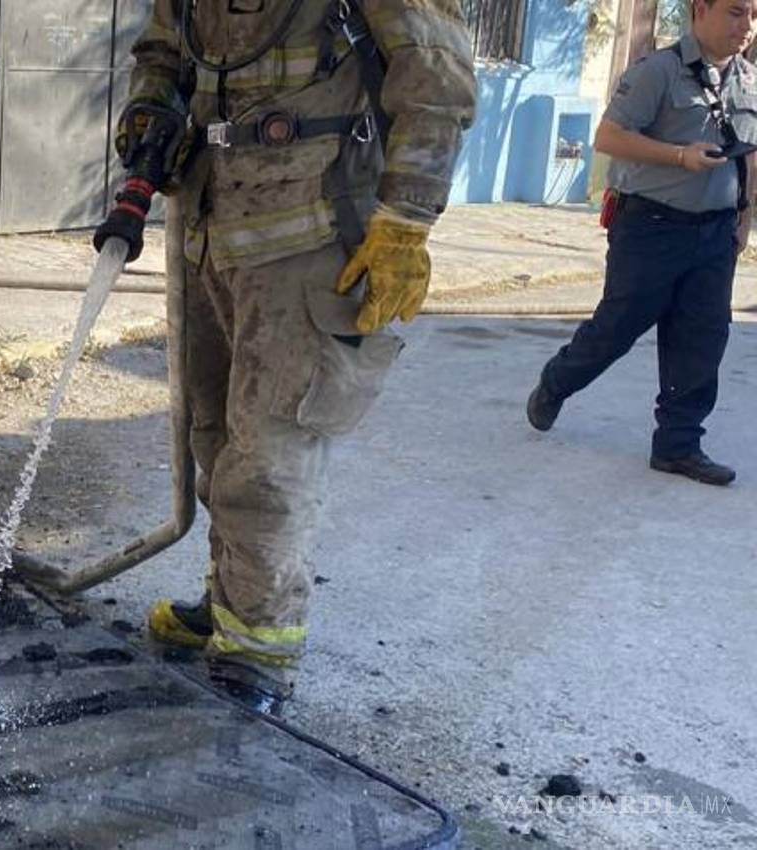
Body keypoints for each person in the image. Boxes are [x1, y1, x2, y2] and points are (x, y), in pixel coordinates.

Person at [102, 0, 475, 715]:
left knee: (270, 457)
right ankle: (234, 603)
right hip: (211, 228)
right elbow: (162, 53)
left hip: (312, 235)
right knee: (215, 438)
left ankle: (257, 657)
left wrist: (405, 222)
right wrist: (150, 111)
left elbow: (437, 76)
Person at [527, 0, 757, 486]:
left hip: (715, 231)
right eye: (736, 12)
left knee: (703, 336)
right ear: (700, 10)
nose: (747, 26)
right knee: (617, 328)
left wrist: (745, 219)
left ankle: (678, 444)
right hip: (651, 227)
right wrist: (678, 156)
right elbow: (607, 137)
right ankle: (557, 381)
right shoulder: (659, 71)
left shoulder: (748, 78)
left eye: (754, 15)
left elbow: (749, 156)